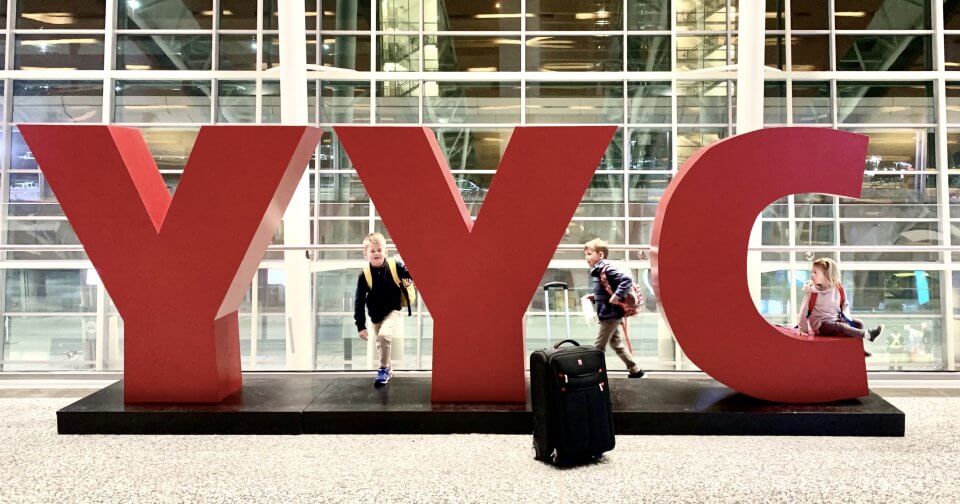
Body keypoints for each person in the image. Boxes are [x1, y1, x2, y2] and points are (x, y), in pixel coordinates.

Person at [354, 232, 412, 386]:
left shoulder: (395, 267)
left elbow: (409, 276)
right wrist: (360, 325)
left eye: (379, 250)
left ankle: (383, 369)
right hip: (375, 315)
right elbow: (359, 301)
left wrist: (408, 269)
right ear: (365, 254)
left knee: (384, 335)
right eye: (372, 251)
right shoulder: (364, 276)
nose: (376, 253)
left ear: (386, 251)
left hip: (394, 310)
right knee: (381, 343)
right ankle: (389, 371)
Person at [583, 238, 645, 379]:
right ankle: (635, 370)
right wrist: (594, 296)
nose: (586, 257)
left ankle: (592, 375)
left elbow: (626, 280)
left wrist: (617, 296)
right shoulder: (599, 271)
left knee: (598, 347)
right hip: (609, 313)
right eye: (586, 254)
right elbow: (606, 291)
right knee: (616, 344)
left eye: (589, 253)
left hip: (610, 315)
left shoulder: (607, 268)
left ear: (600, 255)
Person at [798, 258, 882, 344]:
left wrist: (846, 319)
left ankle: (859, 350)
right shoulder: (812, 291)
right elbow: (803, 311)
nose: (812, 275)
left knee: (859, 323)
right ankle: (868, 335)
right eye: (812, 272)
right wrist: (803, 330)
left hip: (835, 319)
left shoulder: (838, 288)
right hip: (820, 324)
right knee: (839, 326)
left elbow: (845, 304)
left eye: (815, 272)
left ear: (827, 274)